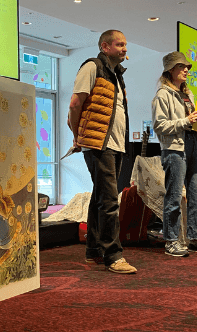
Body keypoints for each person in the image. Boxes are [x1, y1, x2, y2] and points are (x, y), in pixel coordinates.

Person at [67, 30, 137, 274]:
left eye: (125, 45)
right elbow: (75, 105)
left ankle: (93, 250)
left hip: (115, 144)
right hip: (98, 143)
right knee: (109, 200)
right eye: (119, 44)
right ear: (105, 46)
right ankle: (113, 255)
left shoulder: (117, 75)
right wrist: (77, 136)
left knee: (101, 196)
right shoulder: (92, 67)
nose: (124, 49)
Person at [152, 51, 197, 256]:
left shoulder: (188, 94)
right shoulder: (162, 95)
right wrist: (186, 121)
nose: (186, 70)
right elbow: (159, 125)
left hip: (191, 145)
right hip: (174, 149)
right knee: (174, 197)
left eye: (187, 67)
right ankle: (171, 241)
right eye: (181, 67)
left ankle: (195, 238)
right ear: (170, 70)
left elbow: (194, 124)